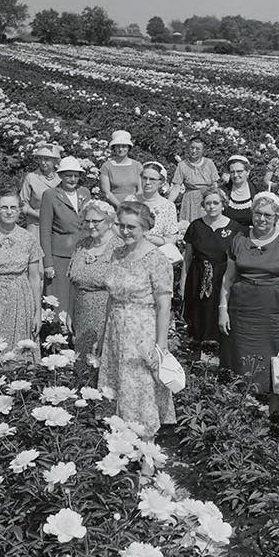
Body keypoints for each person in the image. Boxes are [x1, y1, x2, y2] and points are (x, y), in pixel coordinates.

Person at [218, 192, 279, 419]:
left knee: (274, 359)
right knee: (239, 357)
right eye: (257, 213)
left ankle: (274, 413)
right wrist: (222, 310)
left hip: (272, 312)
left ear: (276, 217)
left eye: (267, 215)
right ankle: (241, 412)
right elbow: (227, 279)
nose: (262, 219)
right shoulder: (239, 239)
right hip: (241, 310)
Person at [98, 202, 176, 436]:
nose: (125, 231)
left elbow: (164, 305)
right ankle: (121, 448)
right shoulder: (117, 254)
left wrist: (160, 345)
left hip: (142, 332)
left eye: (131, 227)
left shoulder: (156, 258)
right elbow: (111, 298)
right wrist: (103, 335)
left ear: (145, 227)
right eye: (121, 225)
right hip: (115, 331)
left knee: (141, 389)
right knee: (117, 386)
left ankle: (147, 454)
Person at [0, 190, 44, 356]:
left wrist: (37, 312)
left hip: (21, 298)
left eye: (13, 207)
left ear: (19, 210)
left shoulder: (28, 238)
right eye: (4, 207)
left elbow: (34, 277)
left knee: (19, 349)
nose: (9, 211)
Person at [181, 185, 245, 347]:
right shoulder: (196, 226)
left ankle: (218, 357)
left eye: (216, 203)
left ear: (223, 204)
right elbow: (187, 258)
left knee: (218, 315)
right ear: (203, 205)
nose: (212, 206)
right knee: (197, 317)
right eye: (208, 203)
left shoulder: (235, 228)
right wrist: (182, 284)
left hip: (222, 277)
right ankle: (196, 359)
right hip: (198, 276)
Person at [68, 200, 122, 360]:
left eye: (96, 221)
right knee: (83, 364)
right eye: (87, 221)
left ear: (109, 220)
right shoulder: (81, 245)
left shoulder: (119, 249)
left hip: (107, 315)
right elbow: (73, 282)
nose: (90, 225)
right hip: (81, 314)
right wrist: (70, 313)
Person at [39, 156, 90, 314]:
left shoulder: (84, 193)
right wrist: (48, 263)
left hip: (82, 253)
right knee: (59, 298)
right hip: (59, 256)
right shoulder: (50, 195)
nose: (72, 179)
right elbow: (45, 231)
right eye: (68, 175)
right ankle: (55, 335)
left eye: (76, 175)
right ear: (60, 175)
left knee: (80, 298)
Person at [168, 136, 219, 223]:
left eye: (198, 149)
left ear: (203, 150)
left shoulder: (209, 163)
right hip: (189, 201)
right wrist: (166, 204)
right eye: (192, 148)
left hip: (206, 198)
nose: (194, 151)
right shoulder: (182, 165)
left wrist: (216, 201)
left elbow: (215, 185)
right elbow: (176, 187)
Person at [128, 162, 181, 246]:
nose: (147, 182)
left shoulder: (168, 206)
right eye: (144, 178)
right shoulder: (131, 201)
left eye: (152, 179)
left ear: (161, 183)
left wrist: (152, 239)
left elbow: (171, 239)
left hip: (156, 252)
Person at [18, 144, 62, 245]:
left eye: (46, 159)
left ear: (55, 161)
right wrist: (39, 215)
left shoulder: (61, 179)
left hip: (57, 227)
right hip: (36, 226)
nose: (43, 162)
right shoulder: (31, 177)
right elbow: (22, 203)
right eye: (40, 159)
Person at [99, 130, 142, 207]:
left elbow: (140, 190)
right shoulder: (106, 166)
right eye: (118, 146)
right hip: (114, 206)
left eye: (124, 146)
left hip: (134, 206)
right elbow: (107, 192)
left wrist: (132, 203)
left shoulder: (137, 165)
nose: (121, 149)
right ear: (114, 147)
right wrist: (120, 206)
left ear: (128, 148)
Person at [220, 155, 261, 228]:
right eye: (232, 172)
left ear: (248, 172)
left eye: (239, 171)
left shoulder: (258, 191)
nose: (235, 175)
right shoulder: (222, 192)